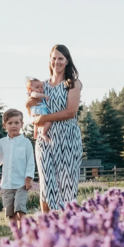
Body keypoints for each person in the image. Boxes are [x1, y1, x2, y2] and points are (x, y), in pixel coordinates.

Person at [26, 44, 83, 212]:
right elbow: (30, 104)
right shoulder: (42, 85)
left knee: (67, 185)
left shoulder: (72, 84)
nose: (56, 62)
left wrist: (44, 118)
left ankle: (69, 227)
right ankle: (46, 227)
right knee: (46, 182)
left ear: (67, 61)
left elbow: (71, 112)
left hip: (68, 139)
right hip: (45, 139)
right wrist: (30, 109)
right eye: (54, 58)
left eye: (60, 58)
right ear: (50, 60)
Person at [0, 108, 35, 232]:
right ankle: (16, 233)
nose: (13, 126)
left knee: (20, 208)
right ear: (4, 125)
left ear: (22, 124)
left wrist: (29, 178)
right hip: (6, 184)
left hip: (21, 184)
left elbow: (30, 162)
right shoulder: (2, 142)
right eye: (10, 123)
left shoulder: (26, 142)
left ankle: (23, 231)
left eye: (16, 123)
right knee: (9, 211)